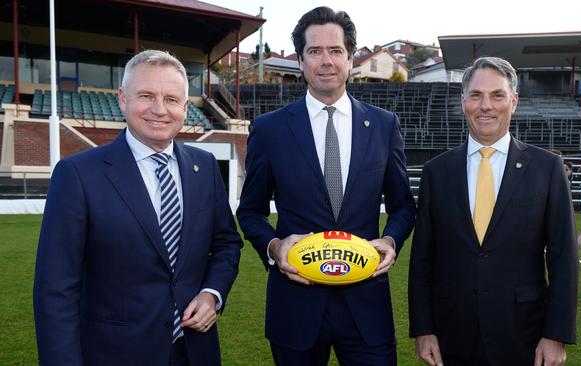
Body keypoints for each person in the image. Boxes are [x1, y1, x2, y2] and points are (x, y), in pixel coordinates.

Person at [33, 50, 243, 366]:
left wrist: (212, 293)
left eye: (172, 99)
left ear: (185, 108)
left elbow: (226, 244)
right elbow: (55, 290)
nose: (160, 110)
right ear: (123, 99)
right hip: (114, 355)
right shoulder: (77, 175)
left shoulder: (205, 167)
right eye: (146, 95)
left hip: (196, 353)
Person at [237, 7, 415, 366]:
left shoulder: (383, 125)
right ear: (301, 61)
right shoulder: (270, 130)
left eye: (335, 51)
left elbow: (403, 206)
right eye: (314, 51)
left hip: (366, 306)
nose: (326, 61)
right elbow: (250, 211)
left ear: (350, 59)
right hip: (296, 303)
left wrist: (391, 240)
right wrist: (274, 246)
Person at [409, 56, 578, 366]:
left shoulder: (547, 168)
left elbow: (563, 259)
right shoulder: (436, 172)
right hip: (450, 336)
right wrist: (423, 329)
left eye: (497, 95)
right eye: (476, 95)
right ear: (463, 102)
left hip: (523, 335)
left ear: (513, 102)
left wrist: (556, 334)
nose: (485, 105)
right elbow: (422, 260)